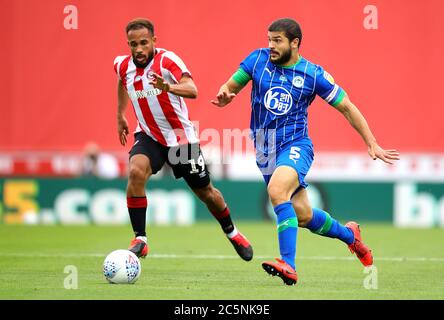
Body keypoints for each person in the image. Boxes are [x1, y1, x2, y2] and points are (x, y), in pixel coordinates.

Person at [211, 18, 400, 285]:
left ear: (295, 43)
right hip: (265, 152)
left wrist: (371, 142)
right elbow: (230, 85)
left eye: (277, 41)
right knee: (303, 215)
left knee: (277, 192)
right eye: (269, 40)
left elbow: (347, 106)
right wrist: (224, 94)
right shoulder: (257, 60)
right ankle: (351, 236)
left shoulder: (313, 74)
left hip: (296, 146)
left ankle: (288, 264)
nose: (271, 46)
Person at [114, 18, 253, 261]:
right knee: (136, 172)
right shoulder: (122, 65)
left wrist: (167, 87)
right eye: (133, 44)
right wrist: (120, 115)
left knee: (206, 192)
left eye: (144, 43)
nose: (138, 49)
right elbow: (122, 82)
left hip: (180, 139)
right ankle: (140, 239)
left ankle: (232, 232)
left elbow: (193, 89)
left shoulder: (167, 61)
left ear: (154, 41)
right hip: (148, 134)